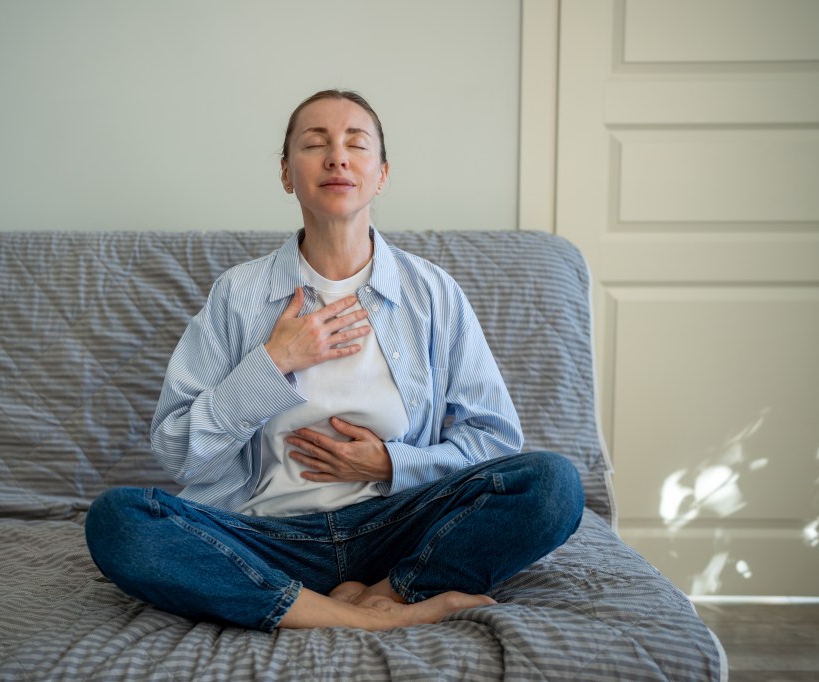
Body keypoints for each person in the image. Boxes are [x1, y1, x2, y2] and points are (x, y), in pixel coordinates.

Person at [85, 89, 584, 632]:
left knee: (553, 484)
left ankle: (390, 591)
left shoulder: (433, 294)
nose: (337, 157)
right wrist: (273, 363)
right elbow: (179, 450)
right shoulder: (239, 295)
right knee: (118, 521)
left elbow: (495, 442)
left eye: (356, 144)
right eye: (315, 143)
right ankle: (373, 618)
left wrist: (391, 464)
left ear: (381, 173)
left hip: (398, 528)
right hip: (268, 536)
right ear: (286, 174)